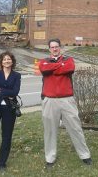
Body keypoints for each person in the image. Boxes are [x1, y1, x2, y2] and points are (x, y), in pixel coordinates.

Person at [39, 38, 92, 169]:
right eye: (52, 47)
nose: (55, 49)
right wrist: (58, 67)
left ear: (60, 47)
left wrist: (53, 68)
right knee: (50, 131)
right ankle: (50, 158)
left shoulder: (68, 60)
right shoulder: (43, 61)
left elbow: (69, 68)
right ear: (49, 49)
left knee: (75, 128)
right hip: (49, 100)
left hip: (67, 100)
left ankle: (85, 155)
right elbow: (43, 69)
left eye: (57, 46)